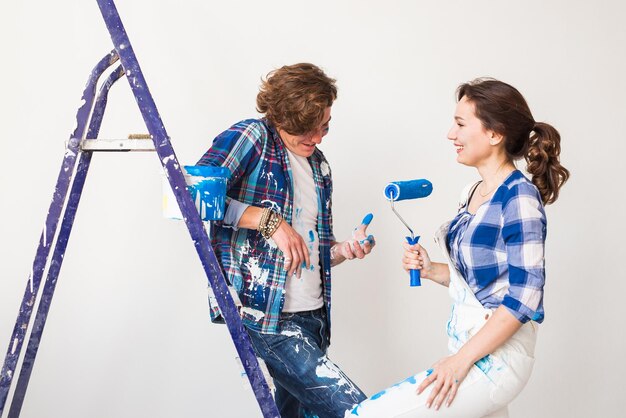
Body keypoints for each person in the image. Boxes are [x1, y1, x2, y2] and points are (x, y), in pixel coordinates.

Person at [349, 78, 569, 418]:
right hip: (471, 347)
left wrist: (459, 361)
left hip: (496, 360)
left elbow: (525, 298)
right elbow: (483, 281)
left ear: (495, 134)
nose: (450, 134)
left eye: (461, 124)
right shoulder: (472, 192)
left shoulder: (519, 198)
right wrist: (430, 268)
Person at [197, 63, 375, 418]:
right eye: (307, 130)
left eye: (324, 127)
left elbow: (314, 251)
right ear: (281, 117)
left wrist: (344, 250)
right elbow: (190, 194)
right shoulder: (253, 138)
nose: (318, 138)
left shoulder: (319, 167)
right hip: (268, 318)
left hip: (314, 316)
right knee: (358, 410)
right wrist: (268, 221)